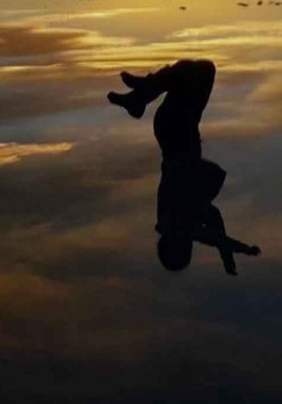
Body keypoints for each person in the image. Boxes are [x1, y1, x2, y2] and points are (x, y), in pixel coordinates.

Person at [109, 59, 261, 274]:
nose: (191, 242)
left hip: (176, 130)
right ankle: (139, 97)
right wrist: (227, 257)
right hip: (176, 128)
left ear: (179, 246)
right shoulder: (190, 217)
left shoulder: (173, 222)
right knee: (194, 71)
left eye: (187, 247)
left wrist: (239, 250)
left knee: (200, 70)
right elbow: (215, 229)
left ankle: (139, 97)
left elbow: (211, 236)